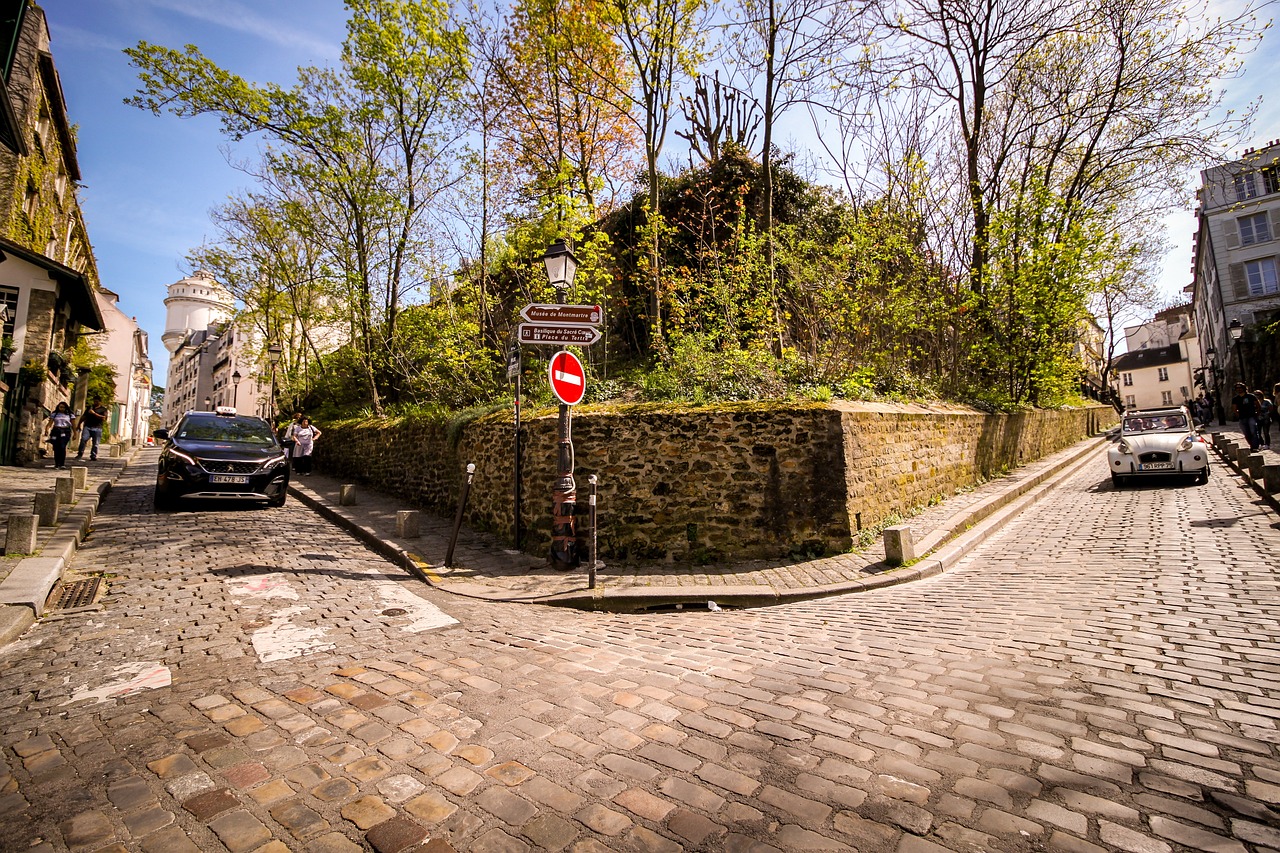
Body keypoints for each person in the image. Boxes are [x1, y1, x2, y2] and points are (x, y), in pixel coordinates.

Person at [74, 397, 109, 461]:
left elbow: (104, 418)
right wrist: (79, 424)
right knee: (83, 440)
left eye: (97, 401)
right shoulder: (90, 408)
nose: (95, 403)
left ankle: (93, 455)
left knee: (95, 443)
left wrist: (94, 414)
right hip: (88, 427)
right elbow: (84, 417)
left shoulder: (103, 409)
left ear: (100, 402)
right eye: (94, 401)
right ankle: (80, 454)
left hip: (97, 428)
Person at [43, 402, 74, 469]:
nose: (62, 408)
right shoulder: (55, 414)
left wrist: (75, 433)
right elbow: (50, 423)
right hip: (56, 431)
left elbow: (73, 424)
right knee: (56, 448)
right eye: (60, 407)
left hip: (65, 431)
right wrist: (46, 429)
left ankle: (62, 463)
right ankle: (57, 464)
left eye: (63, 407)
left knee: (62, 447)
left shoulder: (70, 415)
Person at [1231, 382, 1261, 451]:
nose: (1239, 390)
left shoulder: (1251, 396)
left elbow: (1258, 405)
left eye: (1240, 388)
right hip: (1242, 417)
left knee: (1253, 431)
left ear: (1244, 388)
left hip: (1251, 416)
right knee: (1246, 433)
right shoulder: (1235, 399)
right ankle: (1251, 445)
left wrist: (1257, 413)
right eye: (1237, 388)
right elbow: (1234, 409)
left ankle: (1255, 447)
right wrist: (1238, 415)